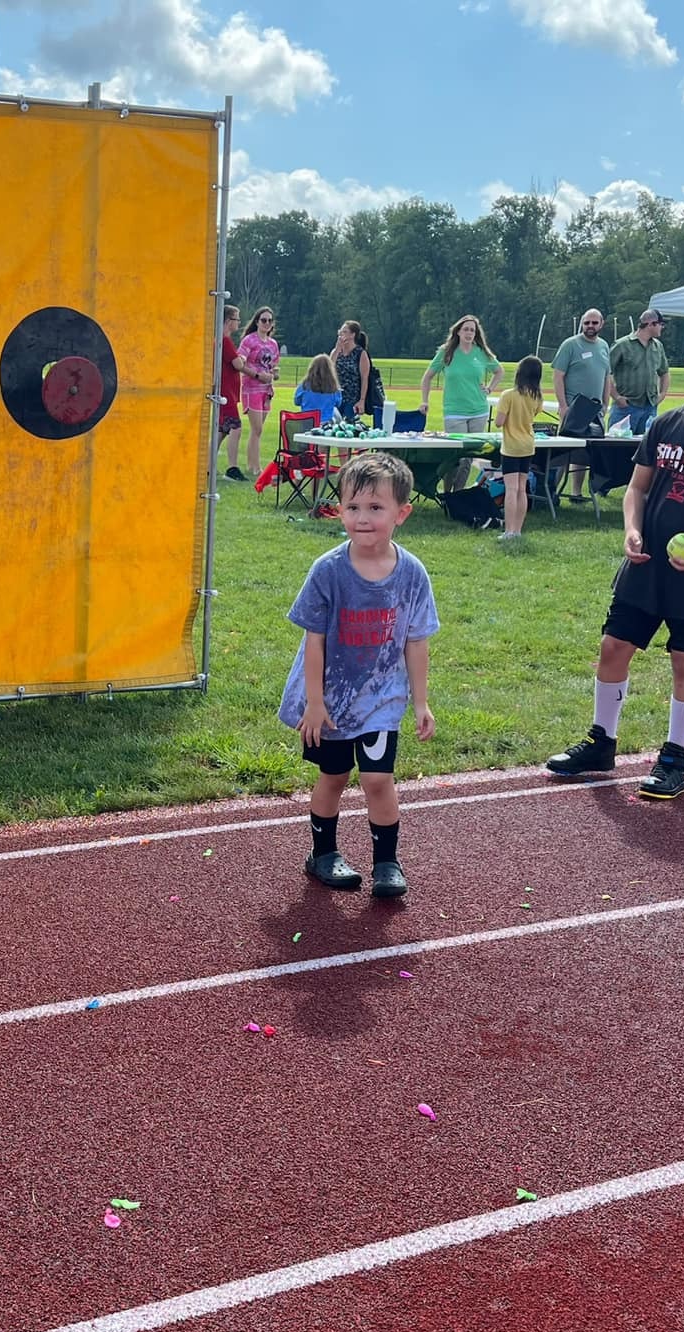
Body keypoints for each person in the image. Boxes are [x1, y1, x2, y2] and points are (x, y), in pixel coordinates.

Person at [545, 315, 684, 800]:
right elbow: (638, 488)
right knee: (613, 648)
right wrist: (631, 529)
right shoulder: (668, 422)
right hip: (646, 564)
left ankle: (674, 755)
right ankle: (601, 741)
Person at [278, 453, 438, 899]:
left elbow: (416, 639)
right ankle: (322, 853)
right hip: (331, 699)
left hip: (382, 700)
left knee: (376, 779)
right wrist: (314, 701)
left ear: (401, 513)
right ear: (339, 509)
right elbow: (314, 641)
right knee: (333, 777)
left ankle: (386, 862)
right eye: (352, 507)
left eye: (375, 508)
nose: (362, 518)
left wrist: (420, 702)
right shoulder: (328, 571)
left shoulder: (412, 574)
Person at [554, 308, 614, 498]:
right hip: (573, 409)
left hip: (595, 411)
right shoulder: (570, 345)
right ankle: (550, 492)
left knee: (584, 454)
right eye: (587, 323)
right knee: (562, 453)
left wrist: (606, 403)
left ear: (601, 324)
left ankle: (576, 493)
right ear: (582, 323)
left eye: (594, 323)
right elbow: (558, 376)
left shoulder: (604, 346)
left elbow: (606, 376)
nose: (590, 326)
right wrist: (563, 406)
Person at [419, 315, 501, 431]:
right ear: (458, 332)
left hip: (479, 411)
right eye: (466, 329)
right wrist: (425, 401)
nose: (469, 333)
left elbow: (499, 371)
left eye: (472, 330)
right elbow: (427, 377)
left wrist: (489, 389)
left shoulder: (481, 352)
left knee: (475, 449)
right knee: (457, 448)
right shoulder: (446, 352)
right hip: (454, 412)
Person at [495, 356, 544, 540]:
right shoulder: (537, 397)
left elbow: (499, 422)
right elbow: (535, 414)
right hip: (528, 444)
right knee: (522, 489)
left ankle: (508, 530)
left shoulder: (508, 395)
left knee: (511, 489)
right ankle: (518, 530)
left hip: (511, 446)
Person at [609, 309, 670, 437]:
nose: (662, 328)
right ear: (650, 324)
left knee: (645, 450)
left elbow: (664, 372)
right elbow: (606, 373)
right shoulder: (622, 345)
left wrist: (662, 394)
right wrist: (617, 397)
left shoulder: (658, 346)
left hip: (650, 407)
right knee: (616, 448)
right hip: (626, 407)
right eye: (660, 324)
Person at [238, 307, 280, 481]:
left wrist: (274, 374)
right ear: (257, 321)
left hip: (266, 390)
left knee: (258, 431)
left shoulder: (273, 344)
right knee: (257, 428)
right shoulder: (249, 341)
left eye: (270, 321)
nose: (267, 324)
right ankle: (255, 466)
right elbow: (240, 363)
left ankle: (253, 464)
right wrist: (256, 375)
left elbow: (275, 364)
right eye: (263, 320)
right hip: (252, 387)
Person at [218, 304, 258, 480]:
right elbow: (238, 364)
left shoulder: (224, 340)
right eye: (236, 319)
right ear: (228, 321)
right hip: (226, 393)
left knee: (222, 430)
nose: (239, 322)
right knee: (235, 427)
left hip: (228, 392)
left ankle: (207, 466)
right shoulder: (224, 340)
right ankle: (232, 468)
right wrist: (256, 373)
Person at [330, 320, 372, 424]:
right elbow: (328, 368)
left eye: (344, 332)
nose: (341, 334)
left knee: (349, 427)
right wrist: (337, 349)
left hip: (352, 399)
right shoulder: (336, 352)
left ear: (352, 335)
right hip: (336, 398)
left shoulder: (360, 353)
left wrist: (362, 400)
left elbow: (364, 378)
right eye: (340, 331)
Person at [294, 354, 343, 423]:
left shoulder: (304, 386)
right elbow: (338, 403)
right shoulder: (334, 388)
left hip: (307, 422)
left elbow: (297, 402)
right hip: (326, 424)